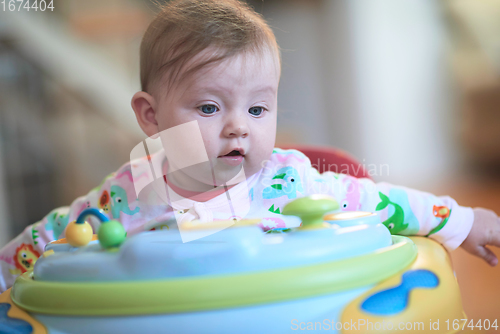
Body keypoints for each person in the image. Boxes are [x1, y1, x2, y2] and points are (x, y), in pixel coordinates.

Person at [1, 0, 499, 293]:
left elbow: (380, 201)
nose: (239, 128)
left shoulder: (289, 179)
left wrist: (462, 221)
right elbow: (57, 234)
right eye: (211, 108)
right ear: (150, 117)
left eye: (258, 110)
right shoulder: (130, 195)